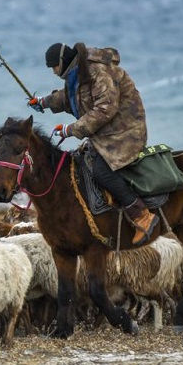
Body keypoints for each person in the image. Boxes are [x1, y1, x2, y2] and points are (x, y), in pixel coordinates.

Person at [28, 42, 158, 246]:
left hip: (125, 130)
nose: (54, 72)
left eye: (54, 67)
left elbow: (105, 108)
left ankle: (140, 212)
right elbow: (71, 97)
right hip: (106, 130)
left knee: (101, 170)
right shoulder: (78, 72)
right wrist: (43, 102)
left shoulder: (97, 71)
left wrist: (71, 129)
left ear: (62, 62)